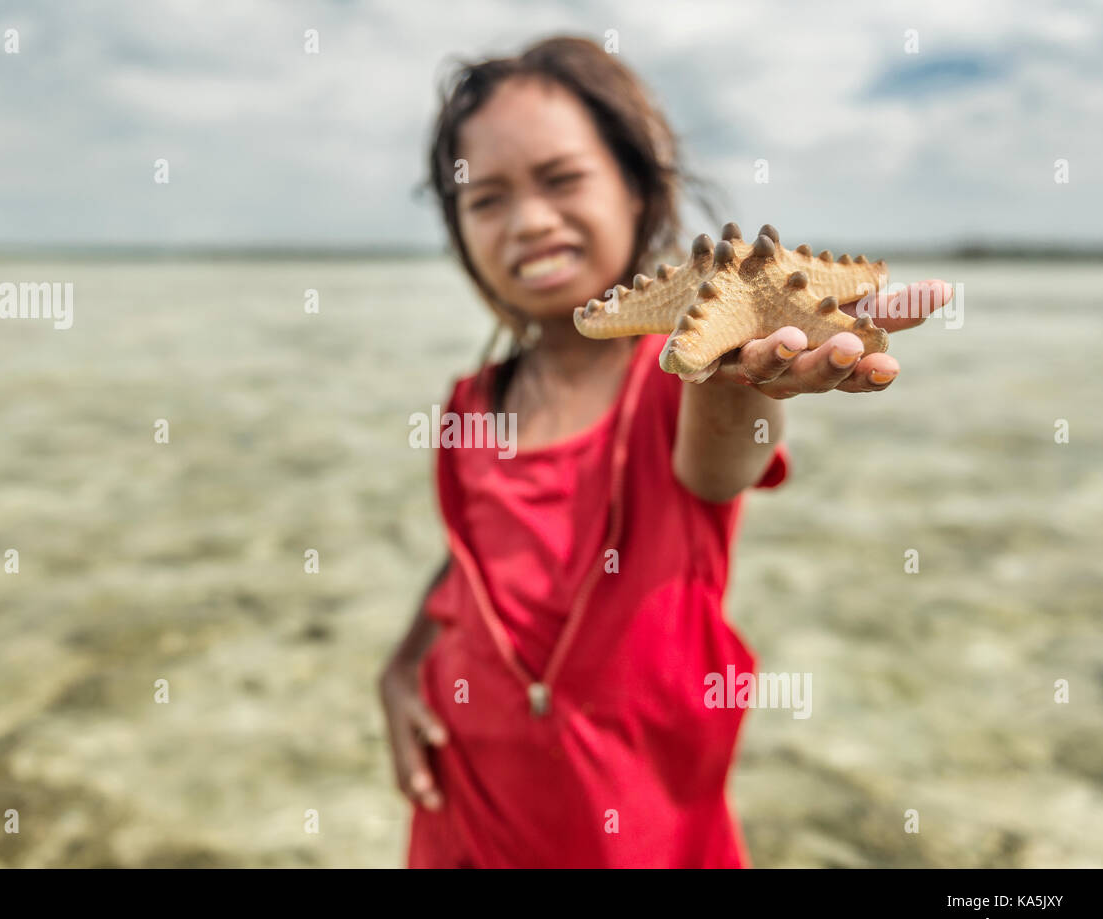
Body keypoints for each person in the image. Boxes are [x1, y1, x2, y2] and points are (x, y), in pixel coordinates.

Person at [377, 35, 952, 868]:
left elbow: (718, 468)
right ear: (459, 231)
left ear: (639, 186)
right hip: (466, 814)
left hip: (645, 834)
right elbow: (472, 556)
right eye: (485, 197)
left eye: (563, 179)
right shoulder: (474, 403)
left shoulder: (671, 383)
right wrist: (402, 662)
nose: (531, 220)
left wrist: (736, 382)